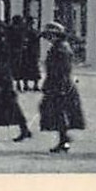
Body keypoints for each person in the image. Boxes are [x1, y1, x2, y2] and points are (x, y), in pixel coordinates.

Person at [38, 21, 86, 153]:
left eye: (50, 35)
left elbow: (62, 69)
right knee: (54, 111)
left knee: (59, 112)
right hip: (57, 82)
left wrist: (59, 85)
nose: (48, 38)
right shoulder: (59, 47)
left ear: (56, 35)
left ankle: (64, 140)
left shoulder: (61, 48)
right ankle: (64, 139)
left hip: (60, 84)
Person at [9, 15, 42, 92]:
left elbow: (37, 42)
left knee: (34, 69)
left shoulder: (33, 32)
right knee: (23, 69)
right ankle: (24, 85)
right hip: (24, 53)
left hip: (32, 52)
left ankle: (35, 85)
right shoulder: (22, 32)